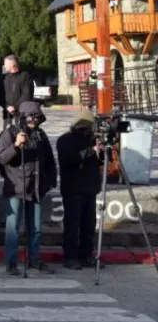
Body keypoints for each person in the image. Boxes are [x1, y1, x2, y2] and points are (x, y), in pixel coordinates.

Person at [0, 101, 57, 276]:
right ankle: (11, 262)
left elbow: (49, 160)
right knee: (13, 227)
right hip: (16, 186)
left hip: (36, 187)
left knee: (36, 227)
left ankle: (34, 259)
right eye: (31, 116)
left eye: (37, 117)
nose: (34, 120)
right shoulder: (10, 133)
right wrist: (16, 145)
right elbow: (1, 159)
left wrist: (51, 180)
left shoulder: (40, 134)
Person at [57, 111, 105, 270]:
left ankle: (86, 255)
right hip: (73, 189)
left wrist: (104, 149)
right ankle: (70, 257)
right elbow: (70, 159)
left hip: (90, 188)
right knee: (72, 225)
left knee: (88, 225)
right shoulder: (65, 140)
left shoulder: (92, 140)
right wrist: (91, 150)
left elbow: (102, 161)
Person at [0, 54, 35, 123]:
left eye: (6, 64)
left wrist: (15, 107)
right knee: (8, 132)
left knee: (21, 132)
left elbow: (27, 94)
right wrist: (7, 106)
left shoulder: (25, 76)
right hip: (7, 113)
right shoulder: (3, 78)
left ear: (13, 65)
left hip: (22, 112)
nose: (4, 66)